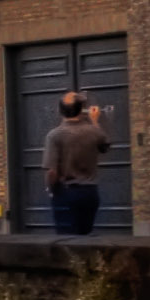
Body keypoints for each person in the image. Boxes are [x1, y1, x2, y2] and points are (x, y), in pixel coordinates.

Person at [44, 90, 111, 234]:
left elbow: (52, 171)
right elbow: (105, 145)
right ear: (81, 110)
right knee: (85, 237)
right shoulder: (93, 132)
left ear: (60, 111)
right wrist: (94, 121)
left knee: (66, 241)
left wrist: (50, 189)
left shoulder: (55, 135)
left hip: (65, 193)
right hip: (90, 193)